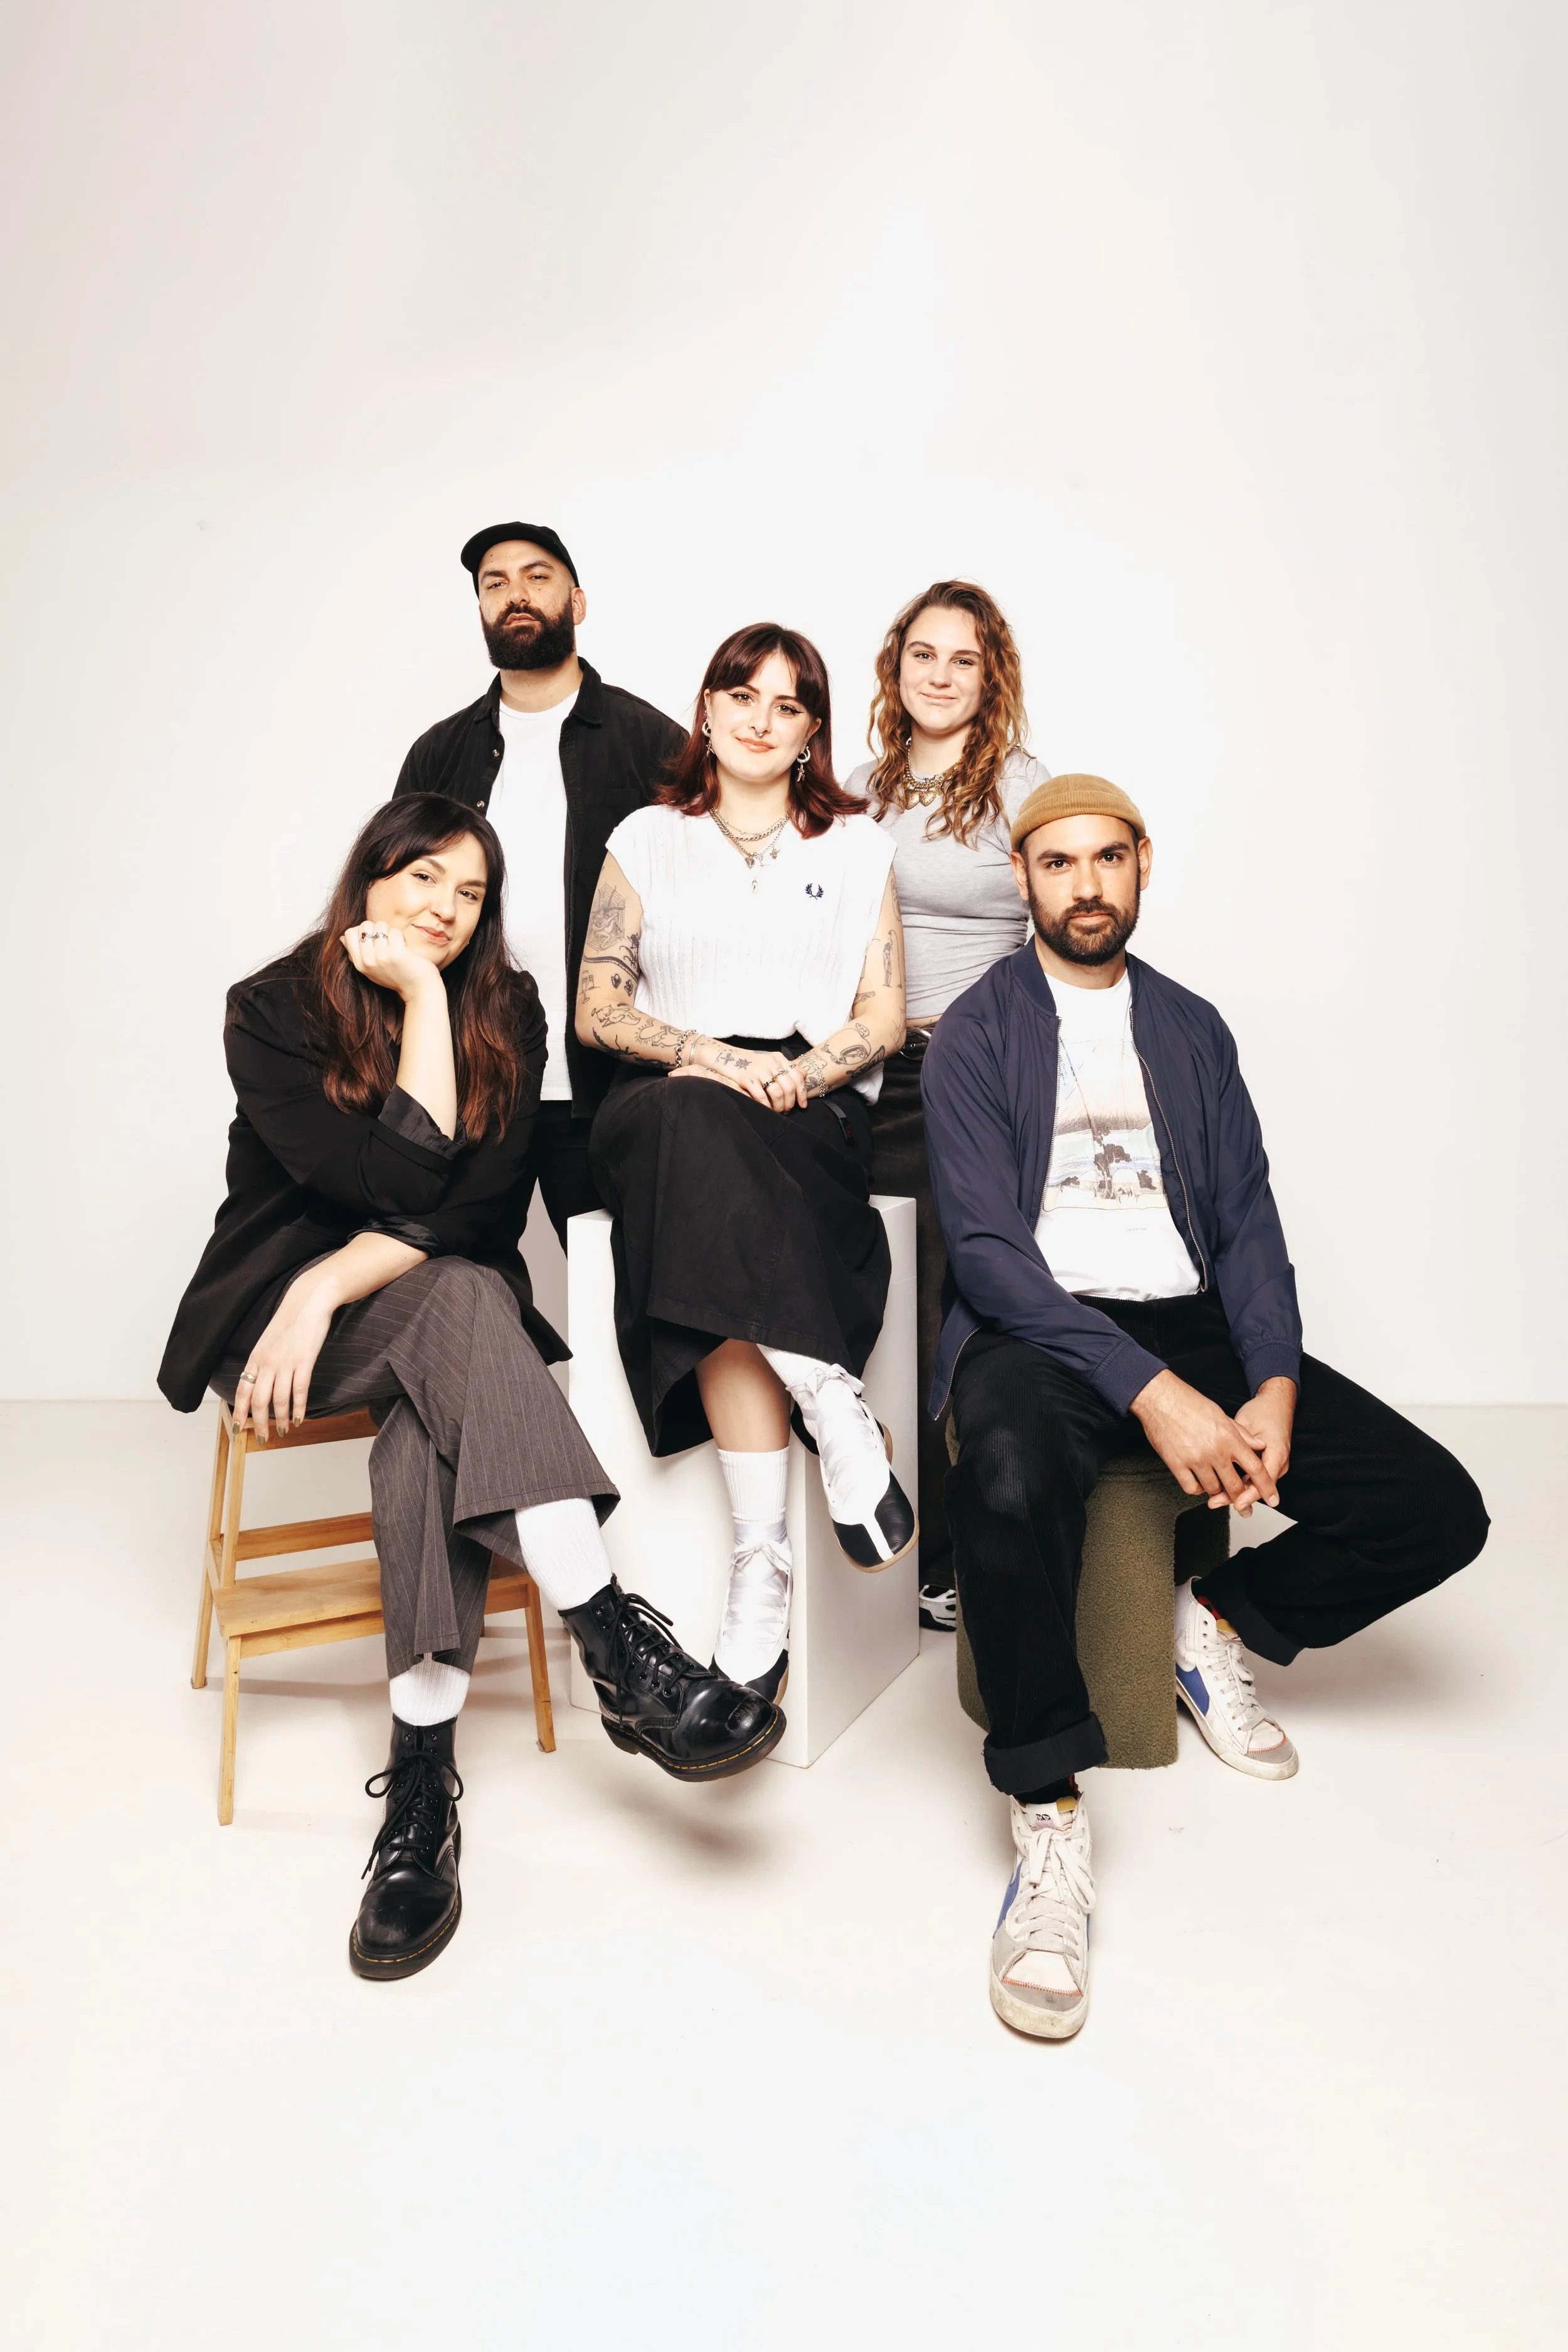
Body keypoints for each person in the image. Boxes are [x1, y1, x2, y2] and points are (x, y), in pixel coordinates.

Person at [159, 794, 783, 1981]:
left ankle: (420, 1798)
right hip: (281, 1333)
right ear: (369, 881)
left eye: (471, 894)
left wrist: (444, 1005)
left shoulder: (510, 1005)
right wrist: (311, 1289)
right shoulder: (271, 1010)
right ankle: (620, 1643)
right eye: (422, 882)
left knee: (439, 1372)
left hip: (415, 1314)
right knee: (462, 1299)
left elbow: (476, 1213)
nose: (445, 912)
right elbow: (390, 1172)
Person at [921, 773, 1490, 2040]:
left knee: (1434, 1508)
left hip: (1184, 1316)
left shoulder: (1186, 1027)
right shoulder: (976, 1033)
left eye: (1104, 860)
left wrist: (1269, 1375)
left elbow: (1242, 1222)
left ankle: (1212, 1619)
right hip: (1039, 1326)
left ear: (1138, 867)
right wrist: (1153, 1393)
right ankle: (1046, 1818)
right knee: (1005, 1477)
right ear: (1022, 879)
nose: (1082, 885)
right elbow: (986, 1252)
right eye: (1055, 863)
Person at [576, 624, 915, 1702]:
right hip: (668, 1094)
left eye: (788, 703)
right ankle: (830, 1398)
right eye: (742, 693)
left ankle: (760, 1562)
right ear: (709, 708)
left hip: (803, 1108)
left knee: (709, 1230)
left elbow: (886, 1016)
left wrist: (804, 1072)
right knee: (688, 1129)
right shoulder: (645, 836)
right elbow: (596, 1006)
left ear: (813, 731)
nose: (762, 717)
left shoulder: (858, 850)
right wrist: (707, 1056)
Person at [845, 579, 1049, 1633]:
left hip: (976, 1073)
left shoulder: (1020, 784)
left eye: (962, 660)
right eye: (922, 655)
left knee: (958, 1307)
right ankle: (907, 1534)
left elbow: (1063, 923)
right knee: (890, 1304)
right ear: (897, 666)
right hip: (872, 1072)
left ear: (989, 673)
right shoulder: (861, 786)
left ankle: (966, 1549)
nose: (939, 675)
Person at [394, 522, 686, 1243]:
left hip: (605, 1088)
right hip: (466, 1078)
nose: (514, 594)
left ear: (577, 603)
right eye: (495, 584)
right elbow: (395, 898)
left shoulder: (652, 743)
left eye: (537, 576)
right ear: (482, 612)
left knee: (626, 1303)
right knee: (448, 1281)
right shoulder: (439, 753)